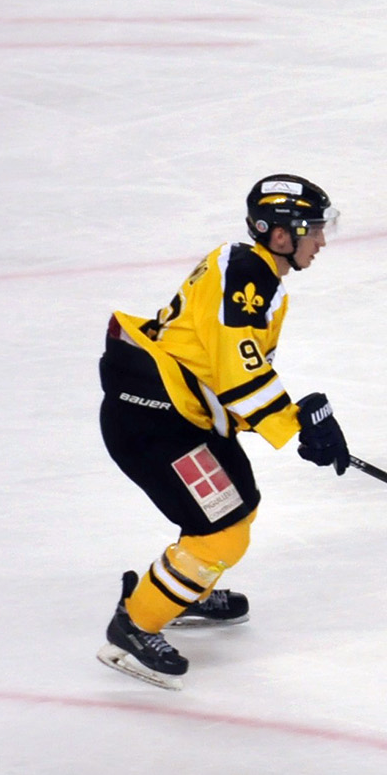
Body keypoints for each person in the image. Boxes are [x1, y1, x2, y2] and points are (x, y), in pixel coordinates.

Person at [98, 177, 350, 689]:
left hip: (177, 412)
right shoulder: (245, 274)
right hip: (153, 423)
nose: (321, 241)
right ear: (281, 236)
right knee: (223, 530)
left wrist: (299, 424)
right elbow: (237, 372)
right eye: (314, 230)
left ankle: (183, 588)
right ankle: (136, 624)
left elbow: (223, 369)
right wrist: (295, 424)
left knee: (239, 503)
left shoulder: (250, 270)